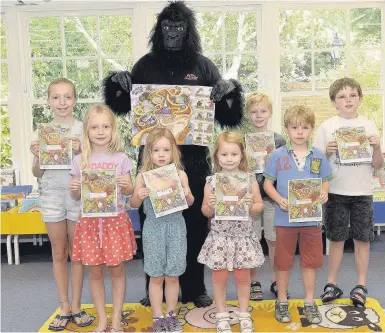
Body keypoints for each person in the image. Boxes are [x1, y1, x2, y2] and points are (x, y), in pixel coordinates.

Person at [102, 1, 244, 307]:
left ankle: (194, 289)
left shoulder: (203, 66)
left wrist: (230, 90)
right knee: (152, 222)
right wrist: (117, 83)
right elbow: (123, 107)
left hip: (191, 161)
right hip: (153, 161)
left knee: (192, 225)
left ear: (188, 31)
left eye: (179, 27)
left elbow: (228, 117)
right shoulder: (144, 65)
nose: (173, 33)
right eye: (168, 27)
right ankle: (152, 284)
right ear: (159, 29)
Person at [29, 78, 94, 331]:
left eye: (67, 97)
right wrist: (37, 156)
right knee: (58, 252)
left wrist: (80, 152)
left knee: (76, 254)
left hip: (76, 193)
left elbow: (92, 170)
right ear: (48, 101)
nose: (62, 102)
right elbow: (37, 172)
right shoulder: (43, 130)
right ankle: (64, 305)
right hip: (51, 195)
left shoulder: (82, 129)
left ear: (75, 100)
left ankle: (77, 306)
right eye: (56, 97)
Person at [313, 77, 383, 307]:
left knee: (363, 238)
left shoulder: (369, 125)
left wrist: (377, 147)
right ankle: (331, 284)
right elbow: (315, 165)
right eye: (342, 96)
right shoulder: (327, 127)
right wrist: (327, 152)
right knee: (336, 238)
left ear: (360, 99)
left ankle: (361, 285)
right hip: (335, 191)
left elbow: (378, 164)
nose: (348, 100)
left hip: (362, 191)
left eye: (353, 95)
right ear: (334, 102)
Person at [69, 104, 137, 332]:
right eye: (94, 127)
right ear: (86, 131)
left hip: (114, 222)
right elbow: (76, 194)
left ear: (113, 129)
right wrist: (75, 187)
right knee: (95, 273)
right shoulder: (80, 161)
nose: (100, 131)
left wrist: (128, 185)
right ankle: (102, 319)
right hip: (89, 224)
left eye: (105, 126)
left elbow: (129, 191)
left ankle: (116, 317)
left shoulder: (121, 159)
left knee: (117, 271)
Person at [264, 105, 332, 324]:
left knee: (310, 262)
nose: (300, 132)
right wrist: (279, 199)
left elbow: (325, 182)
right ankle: (282, 301)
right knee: (282, 262)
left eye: (305, 127)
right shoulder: (277, 155)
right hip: (285, 220)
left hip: (311, 221)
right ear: (287, 129)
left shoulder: (318, 156)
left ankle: (310, 302)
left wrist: (323, 193)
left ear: (311, 129)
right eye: (295, 127)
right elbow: (267, 184)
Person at [198, 131, 265, 333]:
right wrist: (210, 205)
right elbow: (205, 211)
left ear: (242, 156)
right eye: (224, 155)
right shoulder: (212, 182)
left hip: (242, 237)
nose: (229, 159)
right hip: (220, 238)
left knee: (242, 277)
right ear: (217, 156)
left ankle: (244, 314)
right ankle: (221, 314)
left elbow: (259, 206)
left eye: (234, 154)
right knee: (219, 277)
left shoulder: (249, 180)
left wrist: (250, 205)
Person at [130, 127, 194, 333]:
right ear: (149, 152)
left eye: (166, 150)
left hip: (176, 227)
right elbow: (132, 203)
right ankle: (158, 316)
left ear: (173, 151)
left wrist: (186, 193)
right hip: (153, 229)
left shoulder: (180, 174)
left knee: (173, 275)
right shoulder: (143, 176)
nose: (161, 155)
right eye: (156, 150)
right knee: (156, 276)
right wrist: (139, 195)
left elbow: (191, 201)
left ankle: (172, 314)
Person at [244, 92, 287, 301]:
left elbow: (284, 169)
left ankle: (277, 281)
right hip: (250, 199)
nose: (258, 115)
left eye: (262, 111)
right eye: (253, 112)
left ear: (270, 113)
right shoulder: (243, 141)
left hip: (272, 198)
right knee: (252, 239)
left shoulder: (279, 140)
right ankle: (254, 282)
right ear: (247, 115)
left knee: (273, 240)